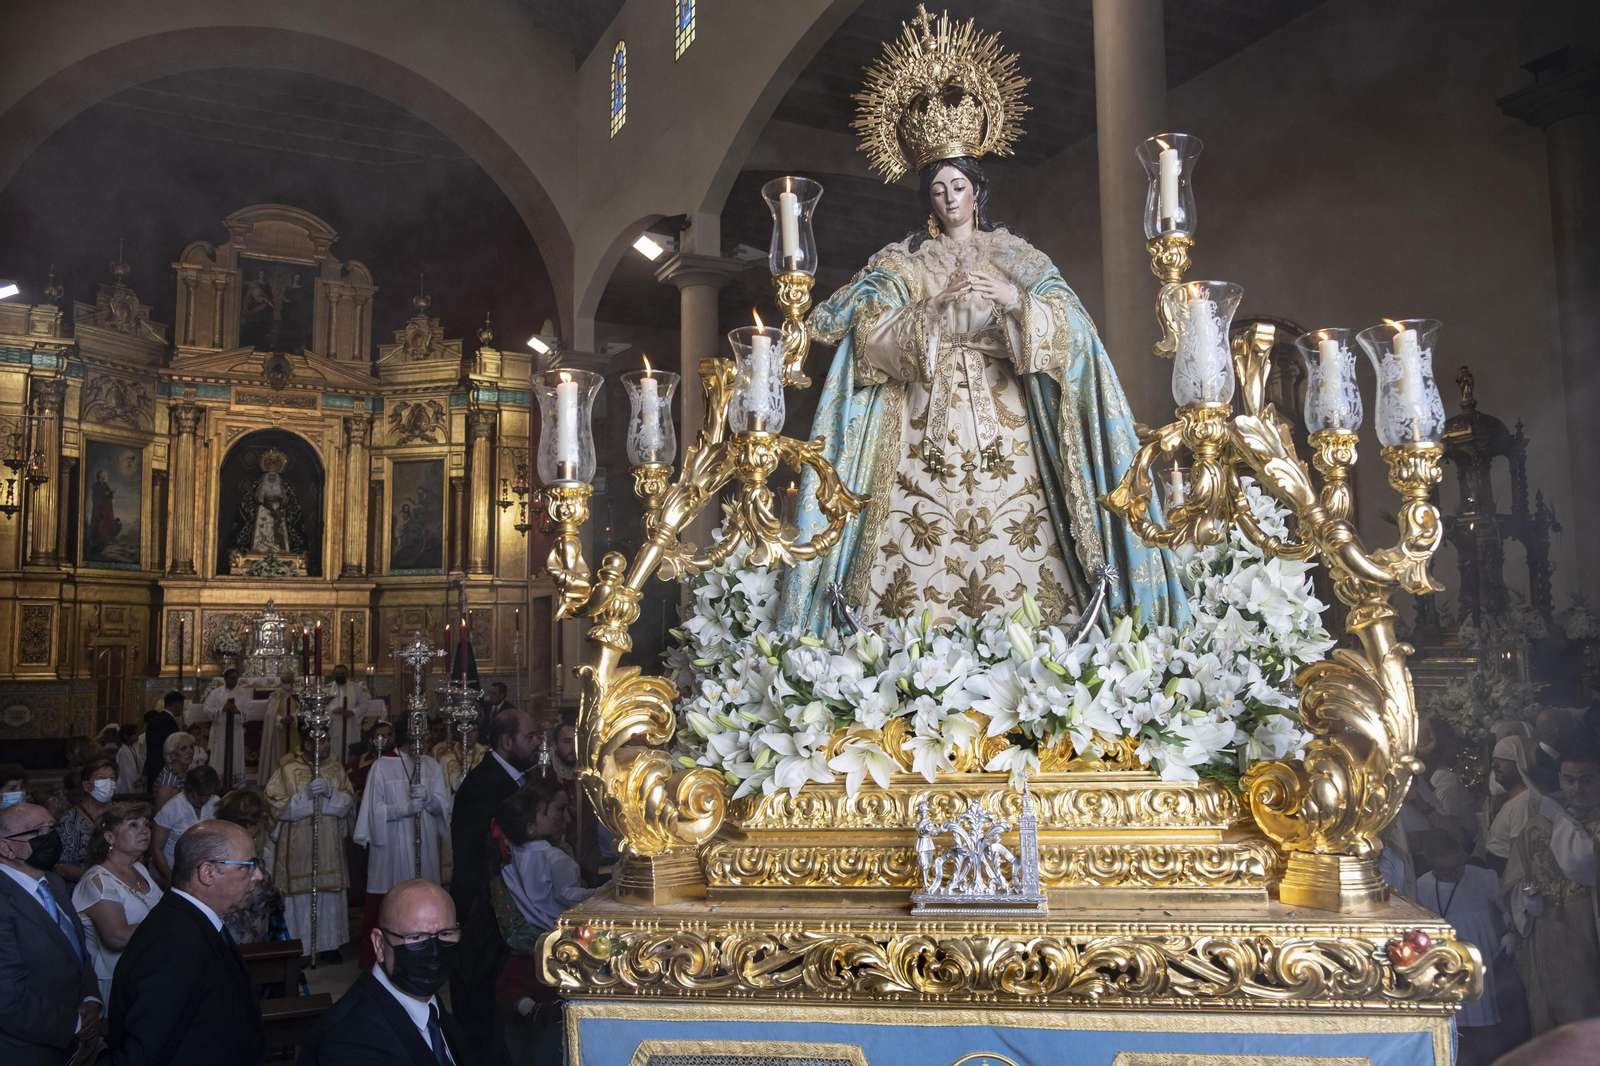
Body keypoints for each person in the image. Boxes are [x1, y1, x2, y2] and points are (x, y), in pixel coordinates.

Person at [776, 146, 1185, 633]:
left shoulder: (1014, 255)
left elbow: (1074, 328)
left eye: (959, 187)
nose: (950, 200)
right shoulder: (905, 263)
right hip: (921, 420)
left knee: (1021, 529)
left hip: (1008, 419)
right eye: (938, 190)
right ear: (929, 200)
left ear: (977, 191)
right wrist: (928, 312)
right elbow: (868, 339)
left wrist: (1015, 299)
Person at [108, 820, 266, 1066]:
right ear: (208, 873)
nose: (258, 875)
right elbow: (144, 1054)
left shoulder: (193, 920)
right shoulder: (172, 945)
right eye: (249, 866)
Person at [447, 708, 539, 1056]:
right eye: (529, 737)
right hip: (481, 913)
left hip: (502, 909)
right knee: (482, 1004)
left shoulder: (517, 780)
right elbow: (474, 856)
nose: (536, 743)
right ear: (506, 741)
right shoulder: (483, 784)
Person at [298, 878, 467, 1066]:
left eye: (445, 933)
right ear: (379, 944)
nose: (435, 953)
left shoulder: (430, 1005)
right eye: (417, 937)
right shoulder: (350, 1042)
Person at [492, 781, 599, 1063]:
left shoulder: (510, 855)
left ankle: (529, 1015)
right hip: (555, 945)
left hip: (521, 946)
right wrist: (603, 891)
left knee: (511, 990)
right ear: (531, 824)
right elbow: (569, 897)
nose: (566, 818)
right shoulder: (555, 857)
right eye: (559, 810)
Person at [1503, 745, 1600, 1034]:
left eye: (1587, 780)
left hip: (1588, 937)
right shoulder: (1535, 828)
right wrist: (1524, 898)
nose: (1576, 788)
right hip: (1545, 939)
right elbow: (1512, 880)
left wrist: (1561, 817)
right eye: (1569, 780)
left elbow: (1582, 863)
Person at [0, 802, 101, 1066]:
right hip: (24, 1050)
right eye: (37, 831)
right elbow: (7, 998)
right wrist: (74, 1024)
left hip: (74, 1045)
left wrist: (91, 999)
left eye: (51, 827)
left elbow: (78, 952)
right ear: (6, 847)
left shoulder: (53, 883)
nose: (50, 837)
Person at [1415, 831, 1517, 1065]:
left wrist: (1509, 933)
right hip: (1447, 959)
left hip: (1483, 954)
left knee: (1489, 1014)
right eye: (1445, 871)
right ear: (1432, 865)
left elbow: (1506, 908)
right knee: (1458, 1022)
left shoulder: (1484, 878)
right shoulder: (1422, 886)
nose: (1452, 875)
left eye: (1457, 867)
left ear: (1462, 855)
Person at [352, 724, 450, 968]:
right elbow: (372, 812)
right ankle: (380, 964)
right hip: (392, 847)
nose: (428, 740)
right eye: (424, 735)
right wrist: (403, 810)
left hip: (424, 843)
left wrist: (429, 801)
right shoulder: (382, 765)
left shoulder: (432, 765)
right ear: (410, 734)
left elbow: (444, 809)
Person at [266, 731, 355, 962]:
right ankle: (301, 948)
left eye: (328, 739)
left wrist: (329, 794)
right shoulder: (287, 769)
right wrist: (304, 797)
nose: (327, 745)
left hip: (329, 846)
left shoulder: (336, 769)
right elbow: (274, 805)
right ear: (307, 743)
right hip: (298, 847)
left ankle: (329, 944)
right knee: (301, 896)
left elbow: (348, 802)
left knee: (328, 892)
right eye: (322, 741)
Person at [70, 803, 162, 1004]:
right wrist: (171, 922)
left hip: (147, 972)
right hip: (116, 980)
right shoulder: (97, 881)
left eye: (146, 824)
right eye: (133, 825)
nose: (144, 830)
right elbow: (117, 937)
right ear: (109, 837)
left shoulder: (140, 869)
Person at [216, 790, 288, 945]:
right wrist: (275, 894)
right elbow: (256, 894)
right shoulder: (239, 850)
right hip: (239, 933)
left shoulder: (220, 839)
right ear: (250, 822)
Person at [1485, 734, 1544, 876]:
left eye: (1503, 759)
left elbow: (1519, 859)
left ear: (1520, 763)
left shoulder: (1525, 803)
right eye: (1494, 759)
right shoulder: (1514, 800)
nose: (1494, 765)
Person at [151, 766, 219, 885]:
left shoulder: (215, 802)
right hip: (170, 868)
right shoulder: (172, 808)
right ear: (189, 788)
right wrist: (172, 878)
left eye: (208, 795)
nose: (203, 799)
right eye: (199, 794)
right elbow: (156, 849)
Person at [56, 758, 118, 884]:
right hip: (85, 886)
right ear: (86, 785)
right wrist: (100, 880)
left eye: (111, 778)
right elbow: (61, 866)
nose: (108, 782)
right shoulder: (69, 821)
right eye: (101, 778)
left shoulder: (122, 814)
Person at [202, 670, 248, 787]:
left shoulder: (243, 693)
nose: (234, 680)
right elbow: (207, 709)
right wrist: (222, 709)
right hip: (220, 730)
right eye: (231, 678)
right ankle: (218, 783)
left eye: (236, 678)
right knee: (218, 756)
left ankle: (235, 783)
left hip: (235, 730)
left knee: (235, 756)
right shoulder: (216, 693)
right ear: (225, 679)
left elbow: (249, 712)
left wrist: (237, 711)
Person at [323, 663, 377, 762]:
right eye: (337, 674)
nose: (340, 676)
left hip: (350, 726)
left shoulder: (355, 688)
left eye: (342, 674)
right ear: (333, 674)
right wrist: (332, 710)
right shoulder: (327, 689)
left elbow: (364, 703)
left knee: (350, 753)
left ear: (346, 675)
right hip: (333, 728)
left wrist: (353, 712)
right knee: (334, 754)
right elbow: (322, 706)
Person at [256, 670, 299, 787]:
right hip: (278, 733)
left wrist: (293, 717)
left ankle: (293, 780)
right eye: (283, 681)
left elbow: (302, 710)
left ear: (293, 681)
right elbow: (269, 714)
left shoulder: (298, 695)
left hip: (294, 731)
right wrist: (280, 719)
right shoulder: (274, 696)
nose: (286, 683)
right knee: (278, 755)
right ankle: (278, 782)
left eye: (288, 681)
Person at [141, 693, 182, 798]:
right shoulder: (167, 721)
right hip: (163, 768)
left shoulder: (156, 719)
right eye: (182, 705)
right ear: (177, 704)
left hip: (153, 766)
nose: (182, 709)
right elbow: (168, 747)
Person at [348, 721, 395, 800]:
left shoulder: (401, 761)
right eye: (381, 736)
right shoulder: (357, 766)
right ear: (371, 741)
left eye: (389, 735)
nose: (386, 739)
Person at [1534, 707, 1577, 795]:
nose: (1574, 730)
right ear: (1554, 731)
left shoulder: (1572, 754)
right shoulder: (1535, 762)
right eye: (1569, 725)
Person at [153, 731, 197, 812]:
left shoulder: (186, 772)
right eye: (183, 748)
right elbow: (161, 815)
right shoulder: (168, 779)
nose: (190, 751)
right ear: (172, 755)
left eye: (191, 747)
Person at [114, 725, 142, 794]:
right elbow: (126, 773)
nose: (137, 735)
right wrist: (132, 791)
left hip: (134, 782)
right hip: (126, 786)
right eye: (135, 734)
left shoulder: (132, 748)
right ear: (126, 736)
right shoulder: (124, 752)